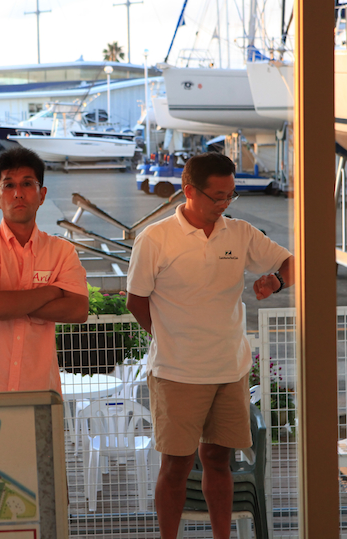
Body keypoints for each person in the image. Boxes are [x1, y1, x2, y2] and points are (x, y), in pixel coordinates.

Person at [125, 152, 294, 539]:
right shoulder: (155, 238)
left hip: (229, 370)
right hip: (176, 372)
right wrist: (168, 336)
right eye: (217, 196)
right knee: (176, 465)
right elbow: (136, 300)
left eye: (230, 195)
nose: (224, 204)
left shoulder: (240, 233)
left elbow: (291, 263)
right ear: (189, 191)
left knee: (220, 460)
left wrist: (276, 282)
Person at [0, 147, 89, 395]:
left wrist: (10, 302)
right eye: (8, 185)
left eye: (27, 183)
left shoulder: (62, 251)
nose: (18, 194)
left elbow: (78, 310)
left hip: (39, 392)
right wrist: (51, 291)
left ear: (42, 194)